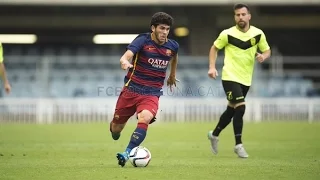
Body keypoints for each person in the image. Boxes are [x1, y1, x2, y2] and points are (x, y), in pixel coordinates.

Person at [109, 12, 179, 167]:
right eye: (162, 28)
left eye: (167, 29)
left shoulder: (172, 46)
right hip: (131, 89)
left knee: (145, 118)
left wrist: (172, 75)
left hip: (152, 92)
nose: (165, 32)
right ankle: (115, 129)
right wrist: (124, 62)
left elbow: (174, 57)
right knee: (116, 129)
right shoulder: (143, 40)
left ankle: (127, 153)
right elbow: (126, 56)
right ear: (153, 28)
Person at [207, 3, 271, 158]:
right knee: (241, 108)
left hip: (246, 79)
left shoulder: (258, 34)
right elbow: (214, 48)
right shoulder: (227, 34)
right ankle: (238, 145)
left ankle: (214, 134)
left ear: (249, 16)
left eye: (243, 14)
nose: (240, 17)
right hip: (229, 76)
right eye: (237, 15)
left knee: (231, 110)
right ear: (234, 17)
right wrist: (212, 67)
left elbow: (267, 50)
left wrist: (263, 56)